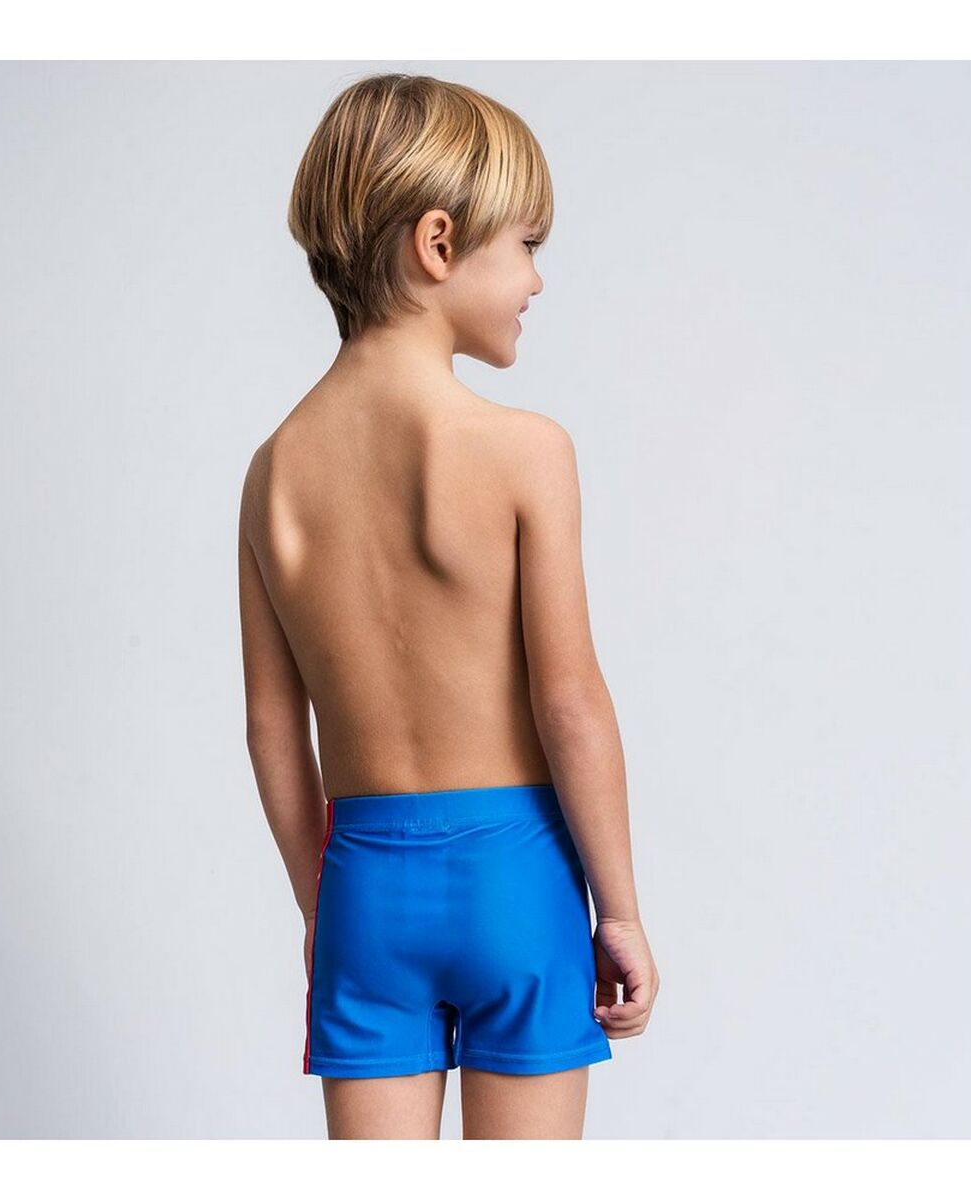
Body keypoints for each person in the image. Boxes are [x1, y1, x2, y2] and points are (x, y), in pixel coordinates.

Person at [237, 72, 659, 1139]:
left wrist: (322, 907)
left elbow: (272, 728)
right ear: (438, 242)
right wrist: (619, 911)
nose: (537, 279)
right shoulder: (525, 452)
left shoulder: (274, 475)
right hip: (516, 877)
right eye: (526, 245)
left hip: (362, 890)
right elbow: (571, 702)